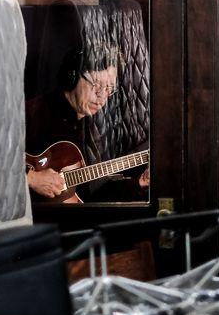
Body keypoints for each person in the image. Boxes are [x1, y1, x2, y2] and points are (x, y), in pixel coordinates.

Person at [25, 42, 149, 202]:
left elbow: (96, 194)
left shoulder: (94, 131)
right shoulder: (32, 113)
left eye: (109, 88)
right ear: (72, 76)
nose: (102, 96)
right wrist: (30, 178)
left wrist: (141, 182)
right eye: (96, 85)